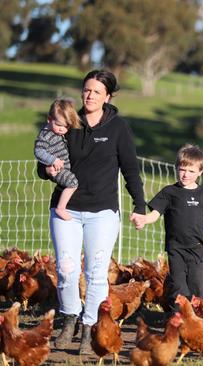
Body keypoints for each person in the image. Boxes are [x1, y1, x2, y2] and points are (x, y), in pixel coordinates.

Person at [39, 70, 147, 354]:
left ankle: (90, 327)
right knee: (66, 269)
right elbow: (45, 155)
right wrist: (47, 169)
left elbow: (131, 170)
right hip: (66, 211)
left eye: (97, 91)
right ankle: (69, 318)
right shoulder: (69, 123)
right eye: (86, 90)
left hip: (103, 212)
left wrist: (139, 205)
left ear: (107, 96)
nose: (89, 95)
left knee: (97, 273)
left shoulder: (118, 128)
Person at [133, 144, 203, 313]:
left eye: (191, 171)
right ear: (176, 168)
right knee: (179, 287)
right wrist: (144, 219)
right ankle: (178, 320)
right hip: (176, 250)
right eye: (182, 169)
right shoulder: (169, 192)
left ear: (200, 172)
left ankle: (198, 321)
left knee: (197, 287)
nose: (185, 174)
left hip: (197, 250)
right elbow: (155, 213)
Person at [34, 98, 82, 221]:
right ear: (49, 119)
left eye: (66, 126)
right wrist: (53, 160)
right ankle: (61, 208)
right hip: (57, 168)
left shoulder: (58, 132)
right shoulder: (46, 134)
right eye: (59, 125)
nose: (62, 129)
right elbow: (38, 151)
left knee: (72, 182)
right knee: (73, 183)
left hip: (62, 167)